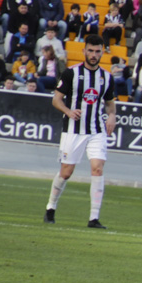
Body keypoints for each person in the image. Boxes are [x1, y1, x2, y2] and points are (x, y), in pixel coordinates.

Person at [43, 36, 116, 229]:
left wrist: (112, 116)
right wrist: (68, 111)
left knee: (98, 168)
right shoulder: (70, 74)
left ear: (102, 52)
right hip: (73, 130)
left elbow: (110, 104)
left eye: (97, 51)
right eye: (90, 51)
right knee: (66, 172)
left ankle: (94, 218)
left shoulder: (106, 77)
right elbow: (56, 99)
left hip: (96, 130)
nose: (94, 55)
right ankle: (51, 207)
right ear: (84, 51)